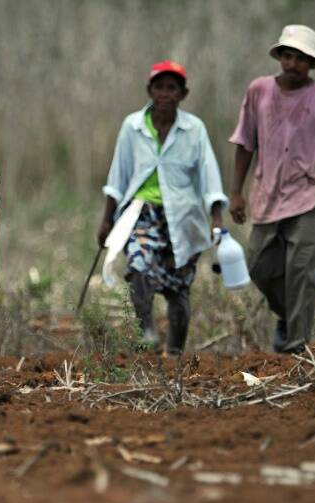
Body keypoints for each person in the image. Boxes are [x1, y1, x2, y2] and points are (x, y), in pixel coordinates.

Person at [229, 25, 315, 354]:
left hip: (309, 196)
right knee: (258, 264)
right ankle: (288, 316)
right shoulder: (259, 91)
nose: (292, 63)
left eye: (300, 58)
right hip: (267, 194)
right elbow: (245, 142)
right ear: (279, 57)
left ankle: (296, 347)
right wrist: (236, 192)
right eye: (287, 55)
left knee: (302, 271)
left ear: (311, 63)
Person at [97, 60, 227, 356]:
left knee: (178, 286)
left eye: (172, 88)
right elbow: (118, 177)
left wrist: (216, 218)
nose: (165, 94)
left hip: (183, 216)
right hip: (141, 214)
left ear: (183, 94)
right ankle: (147, 330)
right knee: (139, 266)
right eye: (160, 88)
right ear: (150, 91)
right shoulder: (132, 126)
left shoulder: (194, 129)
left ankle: (176, 353)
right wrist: (106, 221)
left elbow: (210, 176)